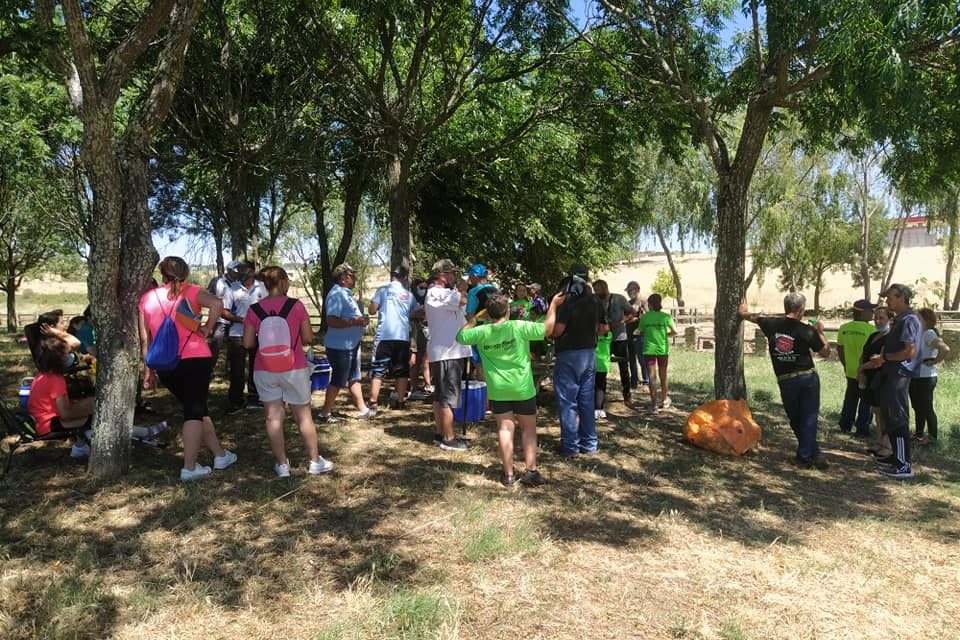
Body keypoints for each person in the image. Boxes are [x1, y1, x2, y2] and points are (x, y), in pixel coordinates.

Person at [139, 256, 237, 481]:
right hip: (195, 357)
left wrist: (148, 371)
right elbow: (217, 304)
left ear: (162, 274)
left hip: (165, 363)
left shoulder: (147, 298)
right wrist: (207, 329)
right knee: (193, 411)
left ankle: (220, 454)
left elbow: (146, 340)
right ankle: (190, 467)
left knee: (198, 408)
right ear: (186, 272)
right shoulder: (192, 291)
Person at [457, 293, 560, 486]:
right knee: (528, 429)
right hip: (522, 388)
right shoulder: (518, 326)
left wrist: (472, 320)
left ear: (488, 312)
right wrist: (553, 303)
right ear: (507, 310)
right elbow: (548, 329)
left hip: (498, 390)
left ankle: (509, 474)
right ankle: (531, 470)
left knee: (505, 428)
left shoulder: (482, 331)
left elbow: (460, 336)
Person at [243, 266, 333, 477]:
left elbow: (247, 343)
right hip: (294, 367)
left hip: (264, 369)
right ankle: (314, 461)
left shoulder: (254, 310)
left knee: (273, 417)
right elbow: (309, 338)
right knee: (303, 416)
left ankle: (282, 464)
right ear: (282, 282)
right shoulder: (296, 306)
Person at [739, 293, 830, 469]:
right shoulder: (806, 330)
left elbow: (755, 318)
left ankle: (806, 456)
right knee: (809, 418)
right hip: (808, 377)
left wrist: (743, 313)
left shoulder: (771, 324)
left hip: (786, 380)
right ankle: (813, 454)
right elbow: (825, 352)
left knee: (796, 418)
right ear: (801, 309)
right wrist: (820, 333)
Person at [861, 284, 923, 479]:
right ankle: (896, 457)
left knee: (898, 418)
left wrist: (884, 358)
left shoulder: (909, 320)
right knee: (890, 417)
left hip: (899, 375)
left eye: (890, 297)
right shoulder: (900, 320)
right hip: (890, 373)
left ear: (902, 297)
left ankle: (904, 465)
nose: (887, 301)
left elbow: (909, 351)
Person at [550, 263, 607, 457]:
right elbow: (603, 329)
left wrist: (549, 334)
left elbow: (558, 329)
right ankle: (590, 445)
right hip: (589, 355)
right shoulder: (595, 301)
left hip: (568, 354)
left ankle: (570, 447)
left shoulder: (567, 300)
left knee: (567, 402)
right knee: (586, 400)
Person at [425, 258, 473, 450]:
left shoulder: (445, 293)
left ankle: (440, 432)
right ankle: (449, 438)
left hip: (450, 351)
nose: (455, 277)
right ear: (443, 275)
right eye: (452, 273)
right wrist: (462, 288)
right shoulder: (437, 292)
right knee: (447, 396)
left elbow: (462, 311)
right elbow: (462, 300)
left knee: (441, 396)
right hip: (447, 352)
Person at [320, 263, 374, 422]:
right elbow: (331, 320)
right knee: (338, 379)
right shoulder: (337, 294)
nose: (355, 278)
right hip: (340, 346)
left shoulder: (346, 294)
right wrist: (354, 322)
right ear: (343, 279)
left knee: (354, 377)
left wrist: (359, 321)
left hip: (350, 344)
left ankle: (363, 409)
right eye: (352, 276)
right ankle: (325, 413)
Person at [27, 337, 95, 459]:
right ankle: (83, 448)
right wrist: (89, 409)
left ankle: (81, 447)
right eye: (68, 353)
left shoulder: (43, 375)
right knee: (96, 412)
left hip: (41, 421)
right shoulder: (56, 380)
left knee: (90, 403)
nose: (71, 356)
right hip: (50, 424)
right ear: (58, 357)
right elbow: (65, 414)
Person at [221, 260, 268, 413]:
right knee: (237, 369)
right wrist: (240, 319)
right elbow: (225, 311)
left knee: (257, 367)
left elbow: (270, 306)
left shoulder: (262, 288)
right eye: (239, 270)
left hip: (259, 333)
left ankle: (254, 398)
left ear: (252, 271)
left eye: (244, 270)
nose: (241, 273)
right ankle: (236, 402)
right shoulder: (232, 289)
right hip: (237, 334)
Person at [368, 265, 415, 411]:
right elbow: (417, 312)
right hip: (402, 337)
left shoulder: (382, 290)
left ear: (392, 275)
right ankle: (400, 401)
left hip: (385, 336)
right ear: (405, 278)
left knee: (379, 370)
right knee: (401, 370)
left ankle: (373, 402)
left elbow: (372, 310)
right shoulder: (409, 295)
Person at [909, 308, 950, 446]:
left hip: (926, 377)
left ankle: (932, 438)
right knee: (917, 406)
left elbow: (945, 348)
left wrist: (935, 361)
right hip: (916, 376)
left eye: (918, 318)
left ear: (926, 320)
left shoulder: (929, 333)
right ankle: (919, 434)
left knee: (926, 407)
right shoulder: (919, 334)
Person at [836, 299, 877, 436]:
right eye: (871, 310)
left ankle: (845, 424)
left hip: (850, 370)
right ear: (862, 312)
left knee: (850, 398)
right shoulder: (872, 330)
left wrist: (846, 364)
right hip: (866, 370)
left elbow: (840, 349)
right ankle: (862, 428)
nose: (873, 313)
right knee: (866, 401)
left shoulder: (844, 328)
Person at [858, 307, 893, 459]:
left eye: (881, 318)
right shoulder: (873, 335)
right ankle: (879, 443)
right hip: (871, 379)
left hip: (883, 378)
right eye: (876, 318)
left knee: (885, 413)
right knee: (877, 412)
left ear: (890, 320)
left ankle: (888, 446)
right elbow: (864, 354)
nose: (878, 321)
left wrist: (862, 368)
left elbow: (878, 361)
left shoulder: (890, 337)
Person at [593, 279, 635, 405]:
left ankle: (627, 394)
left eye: (598, 290)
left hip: (619, 338)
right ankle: (600, 398)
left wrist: (622, 321)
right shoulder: (594, 301)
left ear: (605, 287)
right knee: (601, 368)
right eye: (595, 290)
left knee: (623, 367)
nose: (596, 292)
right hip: (602, 340)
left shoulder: (619, 299)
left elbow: (632, 313)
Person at [637, 293, 677, 411]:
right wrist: (666, 335)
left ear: (649, 304)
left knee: (651, 376)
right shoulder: (666, 317)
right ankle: (665, 400)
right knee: (663, 375)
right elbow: (675, 332)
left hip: (649, 349)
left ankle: (654, 405)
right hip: (663, 349)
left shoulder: (644, 317)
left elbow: (641, 332)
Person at [207, 260, 242, 365]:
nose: (237, 274)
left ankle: (228, 367)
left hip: (234, 318)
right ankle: (210, 366)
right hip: (220, 319)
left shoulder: (239, 282)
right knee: (216, 344)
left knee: (234, 346)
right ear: (229, 270)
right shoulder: (217, 281)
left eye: (238, 272)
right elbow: (209, 298)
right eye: (235, 271)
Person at [407, 276, 433, 399]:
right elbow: (408, 314)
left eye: (425, 287)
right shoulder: (410, 297)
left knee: (426, 359)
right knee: (414, 359)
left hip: (427, 331)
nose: (423, 290)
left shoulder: (428, 297)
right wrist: (420, 313)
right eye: (421, 287)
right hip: (413, 331)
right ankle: (413, 387)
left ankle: (428, 384)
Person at [624, 282, 649, 389]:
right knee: (631, 359)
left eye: (631, 290)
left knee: (642, 358)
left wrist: (634, 319)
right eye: (628, 291)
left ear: (637, 289)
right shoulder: (628, 303)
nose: (629, 293)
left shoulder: (644, 301)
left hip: (640, 335)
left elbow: (646, 317)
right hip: (629, 333)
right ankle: (634, 380)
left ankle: (646, 380)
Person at [594, 325, 612, 421]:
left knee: (593, 386)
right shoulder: (609, 335)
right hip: (603, 365)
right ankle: (599, 408)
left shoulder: (593, 336)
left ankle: (594, 408)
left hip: (592, 363)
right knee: (601, 386)